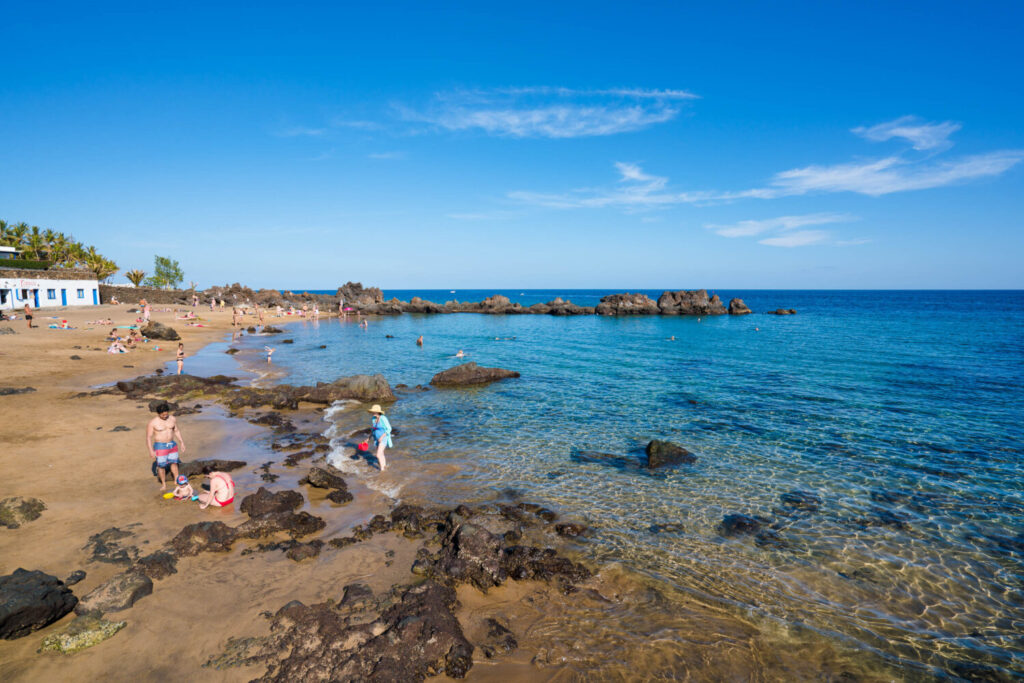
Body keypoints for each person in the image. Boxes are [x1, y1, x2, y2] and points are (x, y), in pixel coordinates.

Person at [147, 402, 185, 491]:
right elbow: (148, 437)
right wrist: (151, 451)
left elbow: (176, 431)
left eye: (166, 414)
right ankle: (163, 484)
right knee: (161, 466)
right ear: (158, 413)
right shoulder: (153, 422)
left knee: (174, 463)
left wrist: (181, 442)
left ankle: (176, 480)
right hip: (160, 446)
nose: (165, 416)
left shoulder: (172, 419)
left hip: (172, 444)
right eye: (162, 415)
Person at [368, 404, 393, 472]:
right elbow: (373, 429)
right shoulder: (374, 419)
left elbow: (389, 429)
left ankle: (382, 470)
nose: (372, 413)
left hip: (383, 438)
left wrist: (382, 437)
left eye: (373, 411)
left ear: (377, 412)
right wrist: (369, 438)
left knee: (378, 455)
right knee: (381, 454)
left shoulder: (383, 418)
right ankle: (384, 466)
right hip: (376, 439)